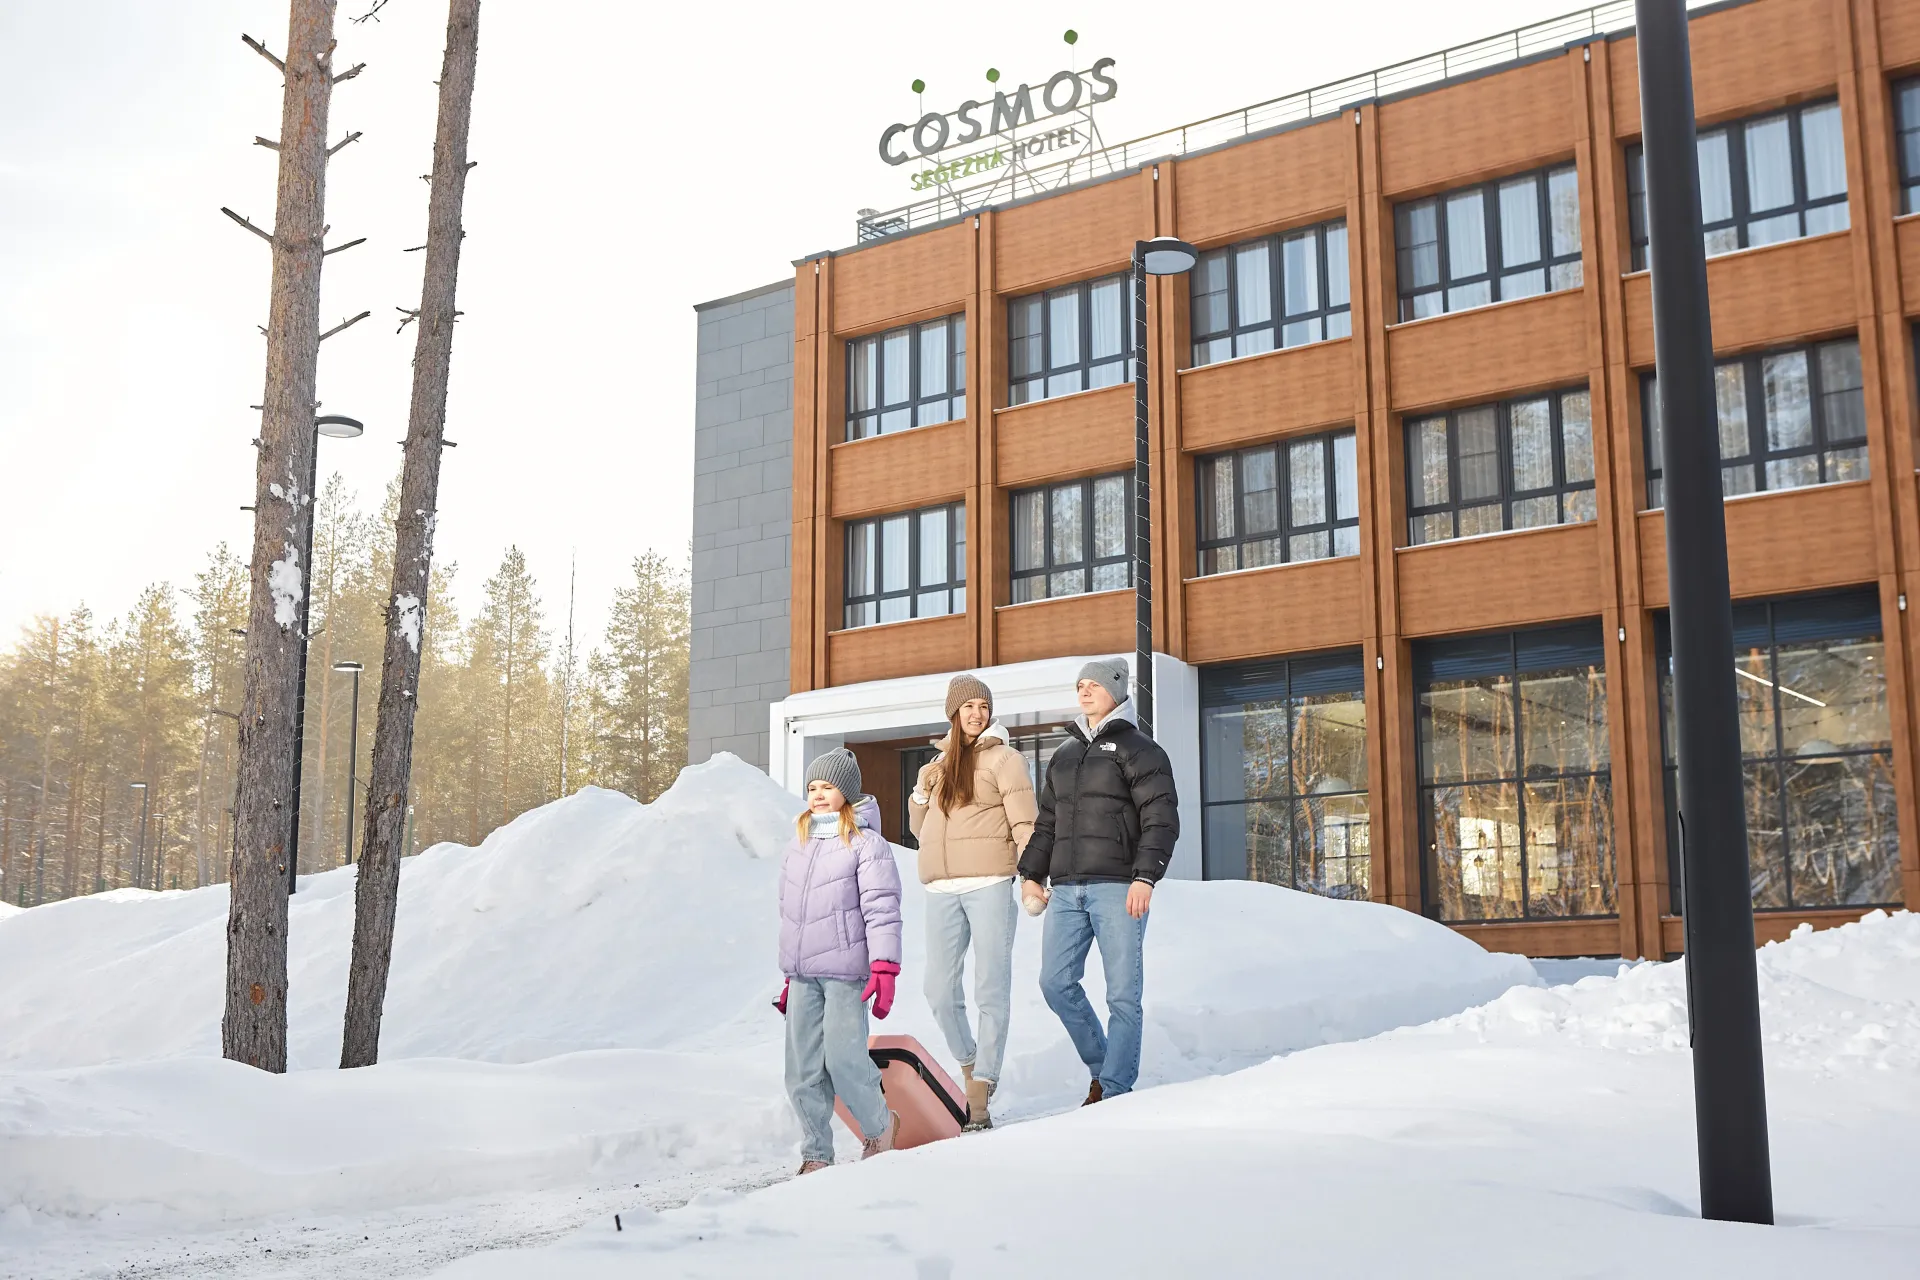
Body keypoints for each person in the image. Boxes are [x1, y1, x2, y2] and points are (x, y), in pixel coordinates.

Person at [1018, 659, 1179, 1106]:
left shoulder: (1141, 750)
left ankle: (1114, 1089)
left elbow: (1161, 818)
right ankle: (1105, 1067)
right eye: (1080, 685)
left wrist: (1146, 876)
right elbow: (1047, 823)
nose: (1085, 691)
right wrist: (1030, 875)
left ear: (1117, 690)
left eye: (1094, 684)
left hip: (1118, 887)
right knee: (1055, 983)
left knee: (1123, 995)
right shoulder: (1065, 754)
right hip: (1066, 889)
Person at [908, 674, 1037, 1131]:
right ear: (954, 712)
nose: (977, 713)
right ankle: (970, 1064)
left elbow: (1025, 822)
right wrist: (920, 793)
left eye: (983, 706)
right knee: (938, 990)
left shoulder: (1005, 759)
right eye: (968, 706)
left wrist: (1032, 876)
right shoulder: (938, 764)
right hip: (941, 888)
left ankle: (982, 1086)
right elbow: (921, 830)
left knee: (989, 987)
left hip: (990, 882)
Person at [775, 748, 904, 1174]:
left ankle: (880, 1126)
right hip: (803, 975)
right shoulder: (798, 844)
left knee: (844, 1059)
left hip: (847, 974)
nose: (817, 794)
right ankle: (816, 1152)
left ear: (846, 792)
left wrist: (884, 966)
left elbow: (882, 908)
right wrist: (790, 973)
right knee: (802, 1069)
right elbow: (790, 912)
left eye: (827, 786)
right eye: (812, 787)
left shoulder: (867, 844)